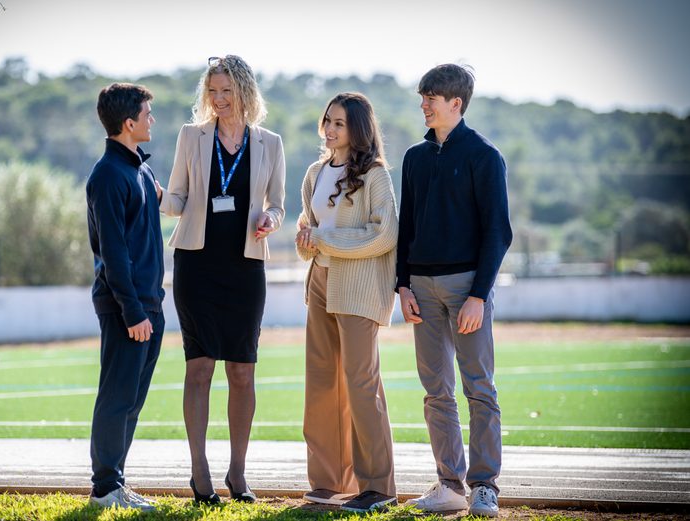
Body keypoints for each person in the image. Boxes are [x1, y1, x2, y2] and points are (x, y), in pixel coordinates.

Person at [157, 55, 285, 504]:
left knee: (243, 372)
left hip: (246, 269)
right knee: (199, 368)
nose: (218, 99)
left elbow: (278, 204)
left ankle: (238, 473)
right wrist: (150, 191)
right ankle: (200, 471)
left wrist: (270, 216)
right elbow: (175, 198)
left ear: (245, 93)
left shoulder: (270, 143)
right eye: (212, 91)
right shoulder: (191, 138)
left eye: (227, 91)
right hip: (197, 266)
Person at [396, 64, 513, 517]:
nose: (423, 104)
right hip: (420, 289)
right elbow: (407, 227)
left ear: (455, 104)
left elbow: (498, 233)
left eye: (431, 97)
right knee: (436, 391)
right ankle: (449, 485)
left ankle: (485, 486)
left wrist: (479, 295)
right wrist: (401, 285)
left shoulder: (485, 156)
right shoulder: (414, 158)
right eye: (422, 97)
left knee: (479, 387)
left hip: (467, 288)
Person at [295, 92, 399, 513]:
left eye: (340, 122)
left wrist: (322, 240)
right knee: (321, 383)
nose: (331, 129)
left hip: (358, 288)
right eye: (328, 121)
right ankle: (328, 482)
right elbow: (310, 231)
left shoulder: (376, 175)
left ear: (358, 127)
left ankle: (378, 486)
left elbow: (384, 235)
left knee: (360, 382)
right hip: (319, 281)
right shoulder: (315, 173)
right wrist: (306, 242)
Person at [85, 83, 165, 511]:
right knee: (117, 397)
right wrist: (133, 312)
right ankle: (104, 489)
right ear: (129, 123)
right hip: (126, 310)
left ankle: (116, 482)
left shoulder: (141, 170)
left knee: (131, 401)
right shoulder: (108, 176)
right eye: (148, 114)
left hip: (150, 305)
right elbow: (113, 256)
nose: (153, 120)